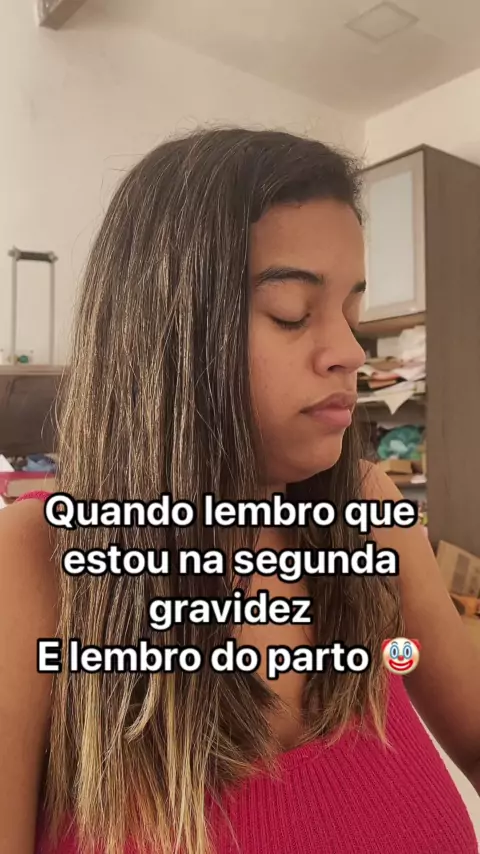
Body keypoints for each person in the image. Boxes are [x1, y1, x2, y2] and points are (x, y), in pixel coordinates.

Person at [0, 128, 478, 854]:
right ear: (167, 334)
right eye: (292, 312)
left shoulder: (371, 513)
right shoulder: (33, 566)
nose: (350, 352)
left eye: (352, 314)